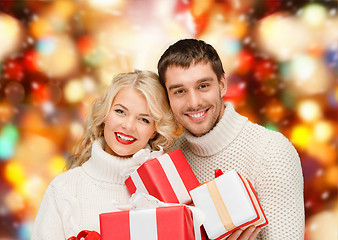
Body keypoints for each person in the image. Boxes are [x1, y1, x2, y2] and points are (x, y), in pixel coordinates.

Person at [157, 39, 304, 240]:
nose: (194, 102)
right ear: (167, 97)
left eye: (203, 86)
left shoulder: (272, 152)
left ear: (223, 85)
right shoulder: (167, 159)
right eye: (180, 91)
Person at [31, 70, 177, 239]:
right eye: (120, 111)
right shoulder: (64, 189)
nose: (128, 126)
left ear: (154, 131)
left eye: (144, 119)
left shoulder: (165, 193)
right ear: (105, 114)